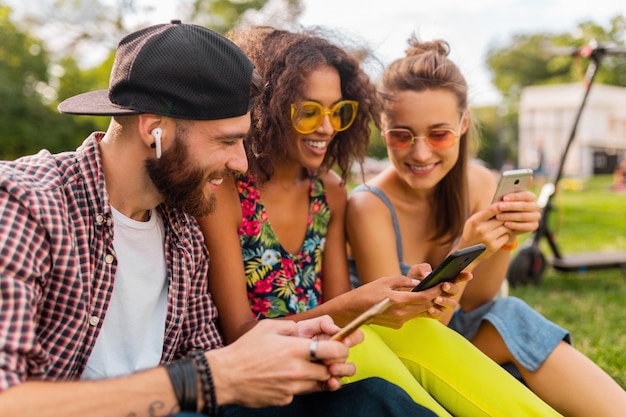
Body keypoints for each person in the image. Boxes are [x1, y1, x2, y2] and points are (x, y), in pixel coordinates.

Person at [0, 20, 446, 417]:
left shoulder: (182, 230)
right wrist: (207, 379)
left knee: (377, 403)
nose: (240, 162)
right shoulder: (26, 205)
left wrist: (284, 351)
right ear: (154, 130)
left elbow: (217, 360)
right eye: (226, 141)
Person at [198, 25, 562, 417]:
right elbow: (240, 333)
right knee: (368, 341)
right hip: (265, 366)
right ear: (266, 108)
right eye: (308, 111)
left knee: (412, 332)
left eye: (337, 111)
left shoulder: (329, 191)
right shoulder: (227, 193)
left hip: (332, 349)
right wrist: (355, 306)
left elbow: (339, 304)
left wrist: (385, 302)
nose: (327, 127)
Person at [346, 36, 626, 417]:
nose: (421, 152)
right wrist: (467, 253)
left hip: (461, 330)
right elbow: (419, 337)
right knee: (497, 320)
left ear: (463, 125)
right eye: (401, 135)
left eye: (439, 133)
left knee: (509, 313)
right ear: (383, 128)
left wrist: (503, 239)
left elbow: (481, 302)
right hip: (409, 352)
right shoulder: (368, 207)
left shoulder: (478, 182)